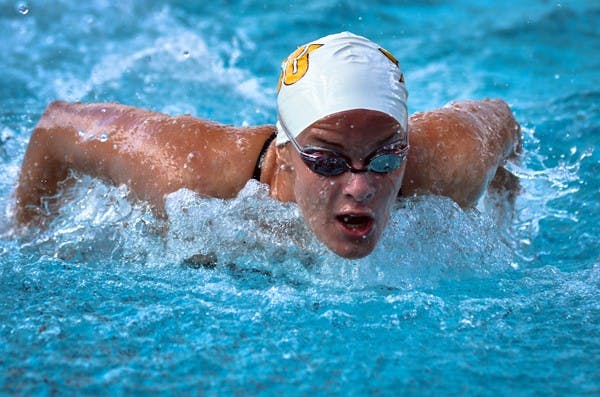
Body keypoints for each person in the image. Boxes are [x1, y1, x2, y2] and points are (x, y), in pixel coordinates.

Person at [14, 32, 521, 259]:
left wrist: (503, 225)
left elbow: (505, 122)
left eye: (387, 156)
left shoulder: (452, 160)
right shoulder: (188, 177)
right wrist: (25, 236)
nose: (361, 186)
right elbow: (55, 127)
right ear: (285, 153)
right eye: (326, 161)